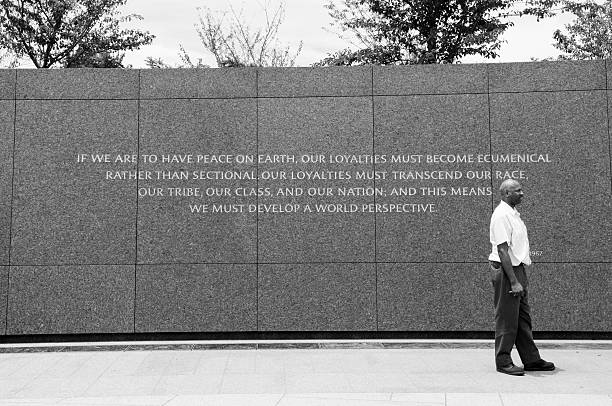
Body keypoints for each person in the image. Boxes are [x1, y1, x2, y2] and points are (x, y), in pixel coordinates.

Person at [488, 179, 555, 376]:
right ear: (507, 194)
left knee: (523, 318)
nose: (522, 193)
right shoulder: (501, 215)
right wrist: (514, 281)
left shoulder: (513, 214)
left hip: (517, 269)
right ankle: (503, 361)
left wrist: (519, 277)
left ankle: (531, 359)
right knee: (507, 318)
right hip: (507, 271)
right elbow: (502, 250)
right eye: (518, 191)